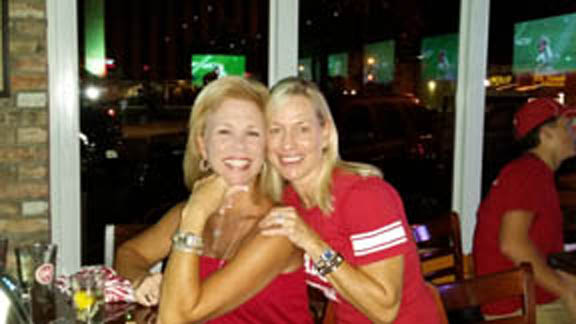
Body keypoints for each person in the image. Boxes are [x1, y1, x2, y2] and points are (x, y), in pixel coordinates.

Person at [114, 76, 313, 323]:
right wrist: (139, 279)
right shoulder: (186, 212)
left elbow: (176, 318)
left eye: (252, 133)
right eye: (224, 132)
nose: (239, 146)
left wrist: (196, 213)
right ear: (202, 145)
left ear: (266, 146)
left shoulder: (278, 228)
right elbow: (129, 253)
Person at [259, 77, 442, 323]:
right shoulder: (288, 201)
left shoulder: (366, 197)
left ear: (324, 134)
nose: (287, 143)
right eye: (275, 130)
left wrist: (312, 243)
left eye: (302, 128)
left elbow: (384, 310)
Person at [473, 97, 576, 323]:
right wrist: (565, 290)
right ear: (546, 134)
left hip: (525, 296)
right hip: (517, 307)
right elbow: (512, 244)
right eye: (567, 125)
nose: (574, 131)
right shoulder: (529, 173)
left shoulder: (533, 172)